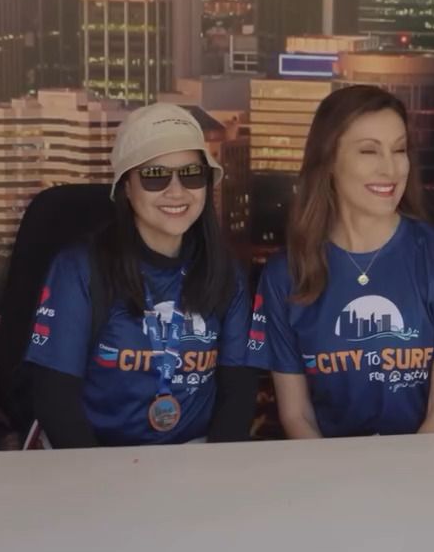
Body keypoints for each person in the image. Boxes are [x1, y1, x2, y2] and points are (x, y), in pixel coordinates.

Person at [247, 85, 434, 438]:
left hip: (431, 461)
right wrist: (334, 474)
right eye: (369, 151)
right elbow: (297, 416)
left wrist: (405, 474)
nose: (390, 168)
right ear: (329, 162)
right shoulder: (284, 274)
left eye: (399, 150)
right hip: (330, 465)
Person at [25, 104, 259, 447]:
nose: (176, 191)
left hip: (194, 454)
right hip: (94, 455)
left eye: (191, 174)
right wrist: (98, 475)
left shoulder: (225, 271)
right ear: (126, 187)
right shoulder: (79, 268)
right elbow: (55, 397)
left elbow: (238, 390)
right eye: (154, 176)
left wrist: (214, 470)